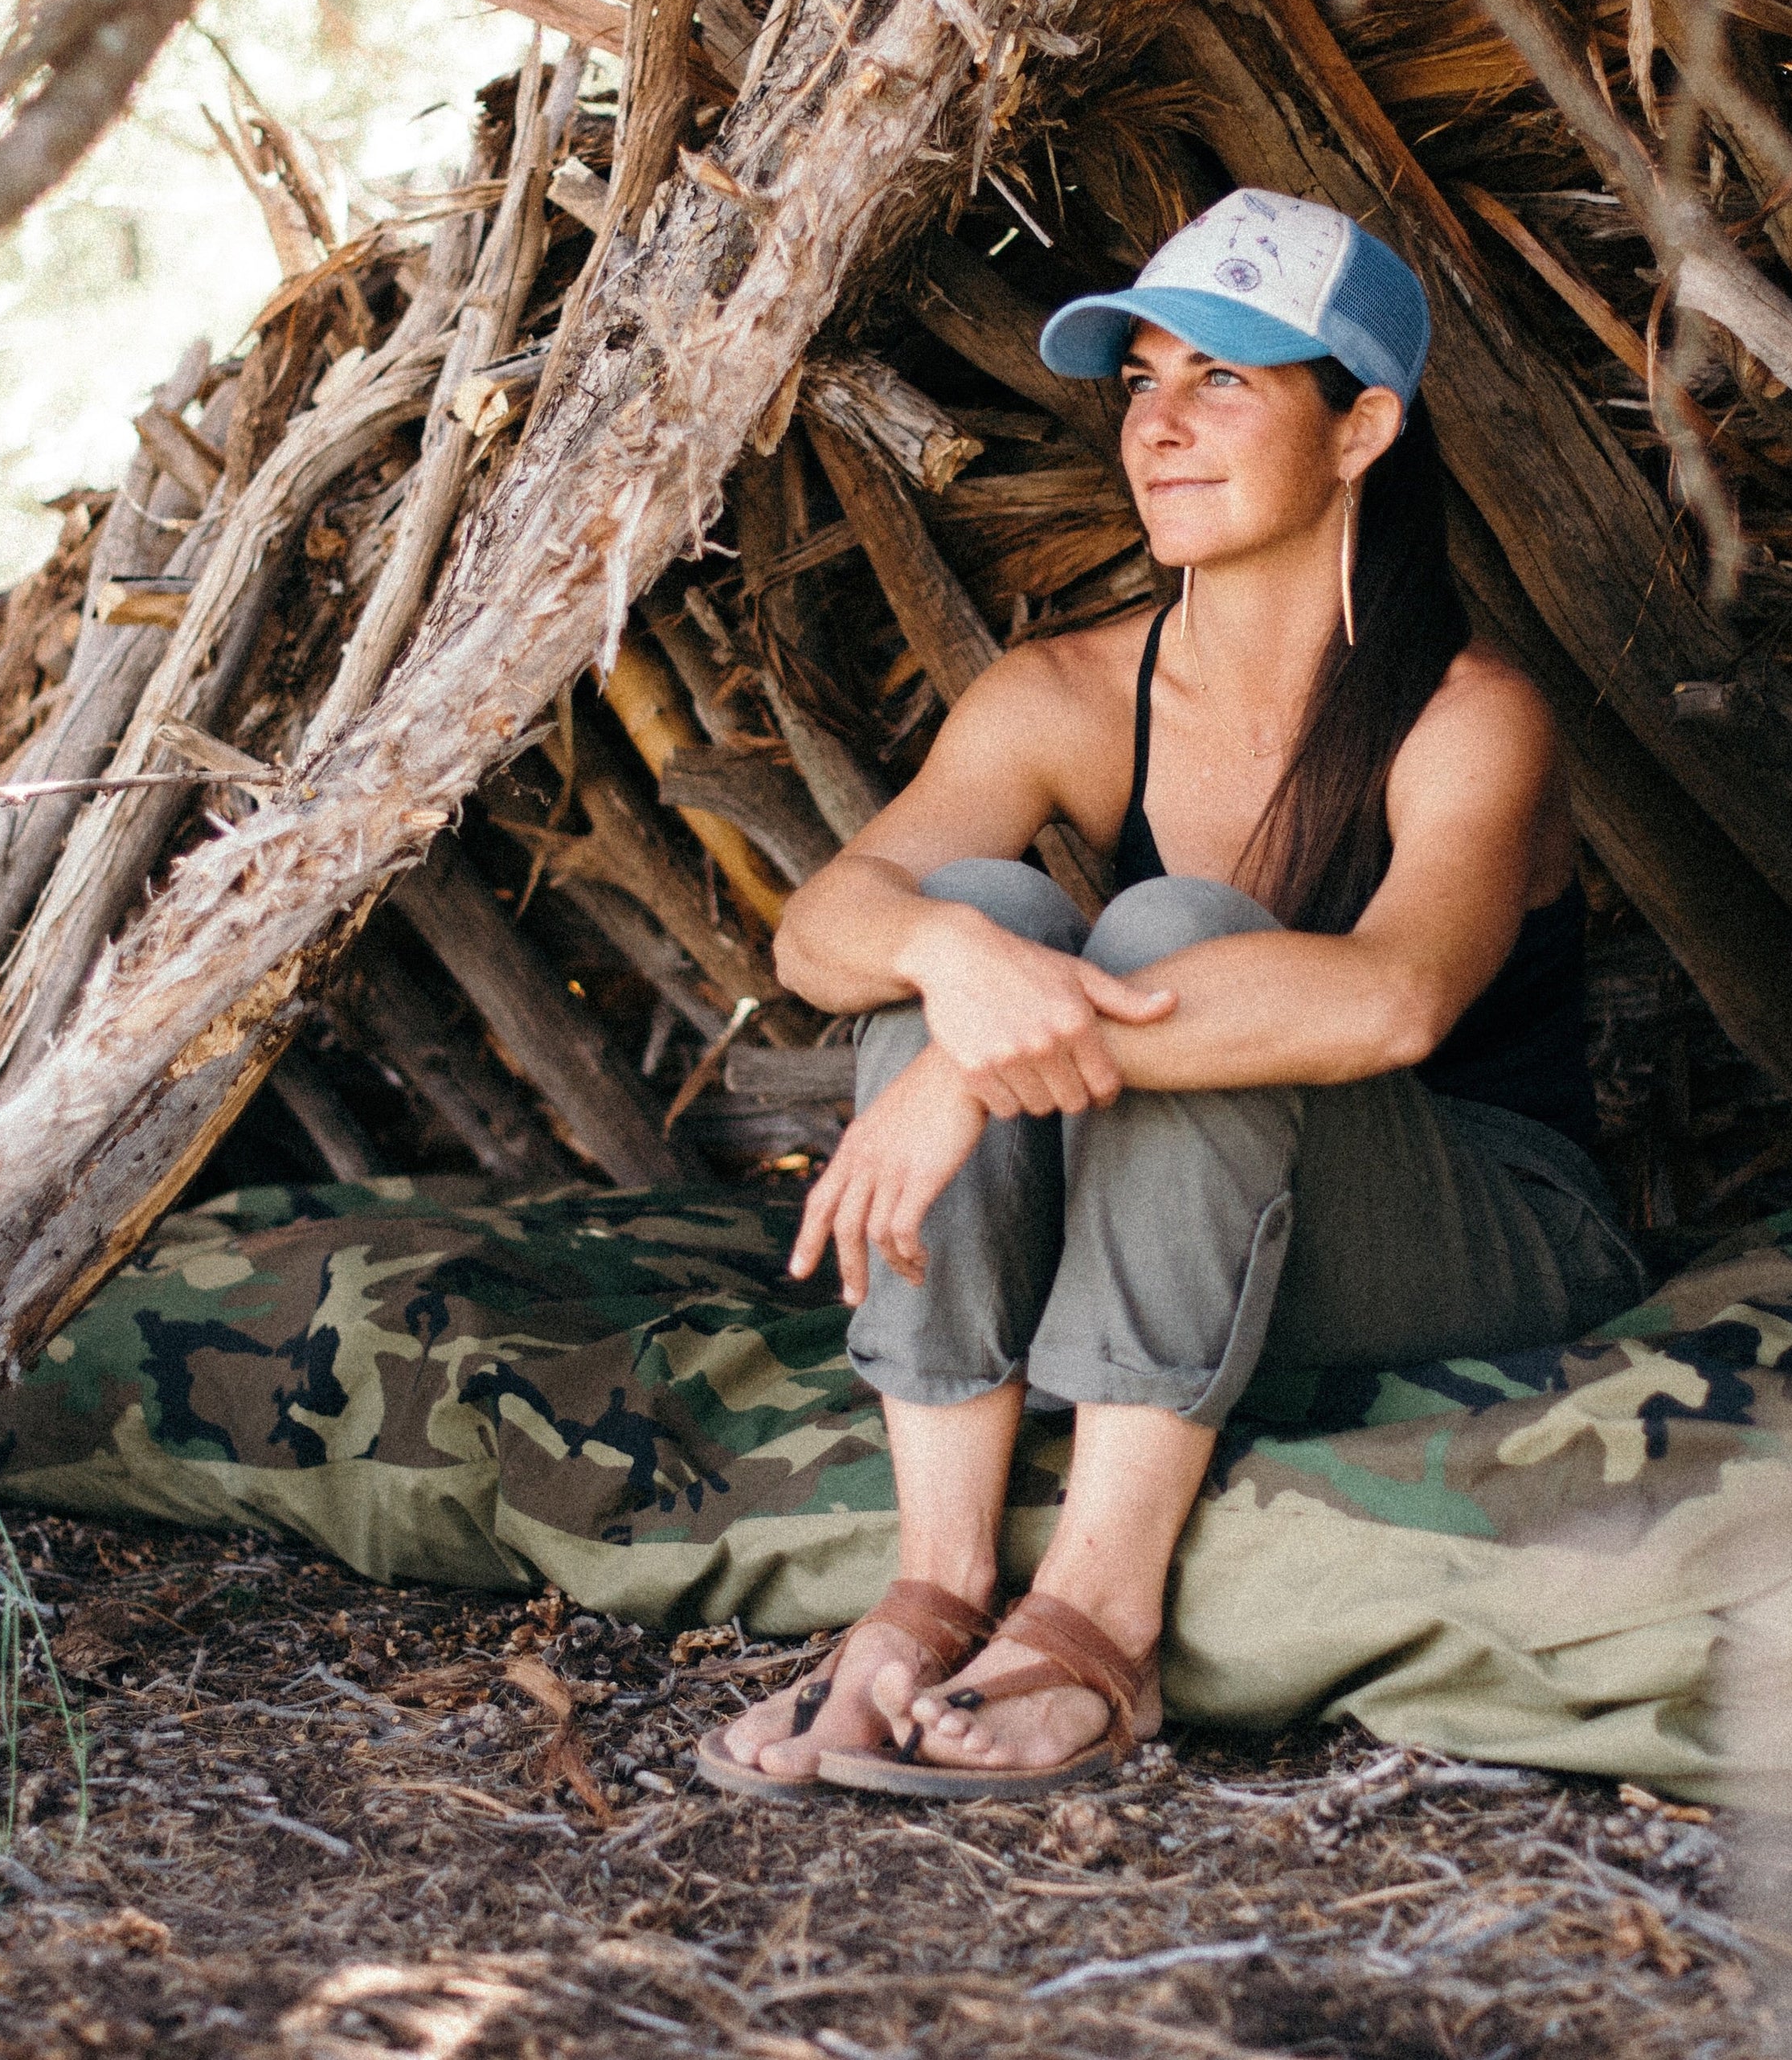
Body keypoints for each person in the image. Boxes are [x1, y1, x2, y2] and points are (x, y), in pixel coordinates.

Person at [698, 188, 1643, 1804]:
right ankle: (931, 1587)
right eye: (1140, 382)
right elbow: (823, 930)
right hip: (1196, 1229)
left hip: (1473, 1223)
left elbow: (1390, 1005)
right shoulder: (1066, 688)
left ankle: (1097, 1623)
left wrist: (977, 1071)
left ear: (1361, 429)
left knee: (1166, 931)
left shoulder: (1468, 717)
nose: (1161, 427)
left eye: (1224, 382)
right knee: (978, 911)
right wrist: (952, 973)